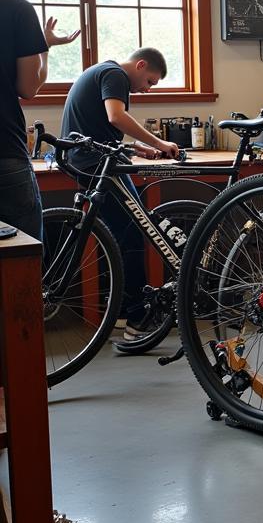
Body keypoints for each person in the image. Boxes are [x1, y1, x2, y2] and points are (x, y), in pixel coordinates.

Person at [0, 0, 120, 523]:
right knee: (18, 318)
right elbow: (28, 85)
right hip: (1, 160)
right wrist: (43, 49)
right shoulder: (13, 7)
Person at [60, 48, 179, 341]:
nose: (147, 89)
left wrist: (139, 149)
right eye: (150, 81)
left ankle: (126, 313)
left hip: (87, 159)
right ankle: (136, 318)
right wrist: (160, 142)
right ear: (139, 65)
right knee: (135, 234)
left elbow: (99, 129)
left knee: (122, 236)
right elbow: (115, 117)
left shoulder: (99, 71)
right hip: (97, 164)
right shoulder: (115, 75)